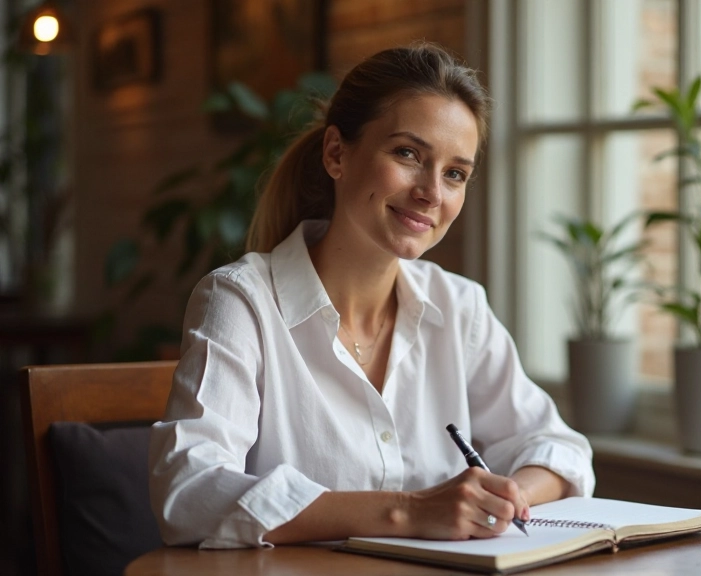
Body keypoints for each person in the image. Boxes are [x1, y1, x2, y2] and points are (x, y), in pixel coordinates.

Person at [148, 44, 594, 549]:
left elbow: (559, 447)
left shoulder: (459, 307)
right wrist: (409, 512)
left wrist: (503, 497)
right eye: (408, 154)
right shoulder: (240, 301)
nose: (432, 192)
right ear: (337, 153)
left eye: (455, 173)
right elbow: (189, 490)